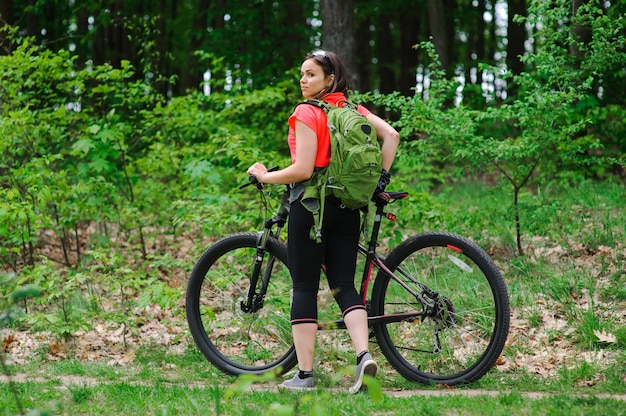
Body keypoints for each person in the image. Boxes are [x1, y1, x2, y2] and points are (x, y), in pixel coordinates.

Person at [247, 50, 399, 393]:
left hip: (311, 207)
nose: (303, 80)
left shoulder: (306, 112)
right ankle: (363, 356)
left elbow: (303, 170)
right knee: (344, 285)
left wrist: (265, 176)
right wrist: (380, 182)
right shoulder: (351, 110)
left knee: (304, 287)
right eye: (301, 74)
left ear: (330, 79)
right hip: (347, 207)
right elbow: (391, 136)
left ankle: (304, 375)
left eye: (311, 74)